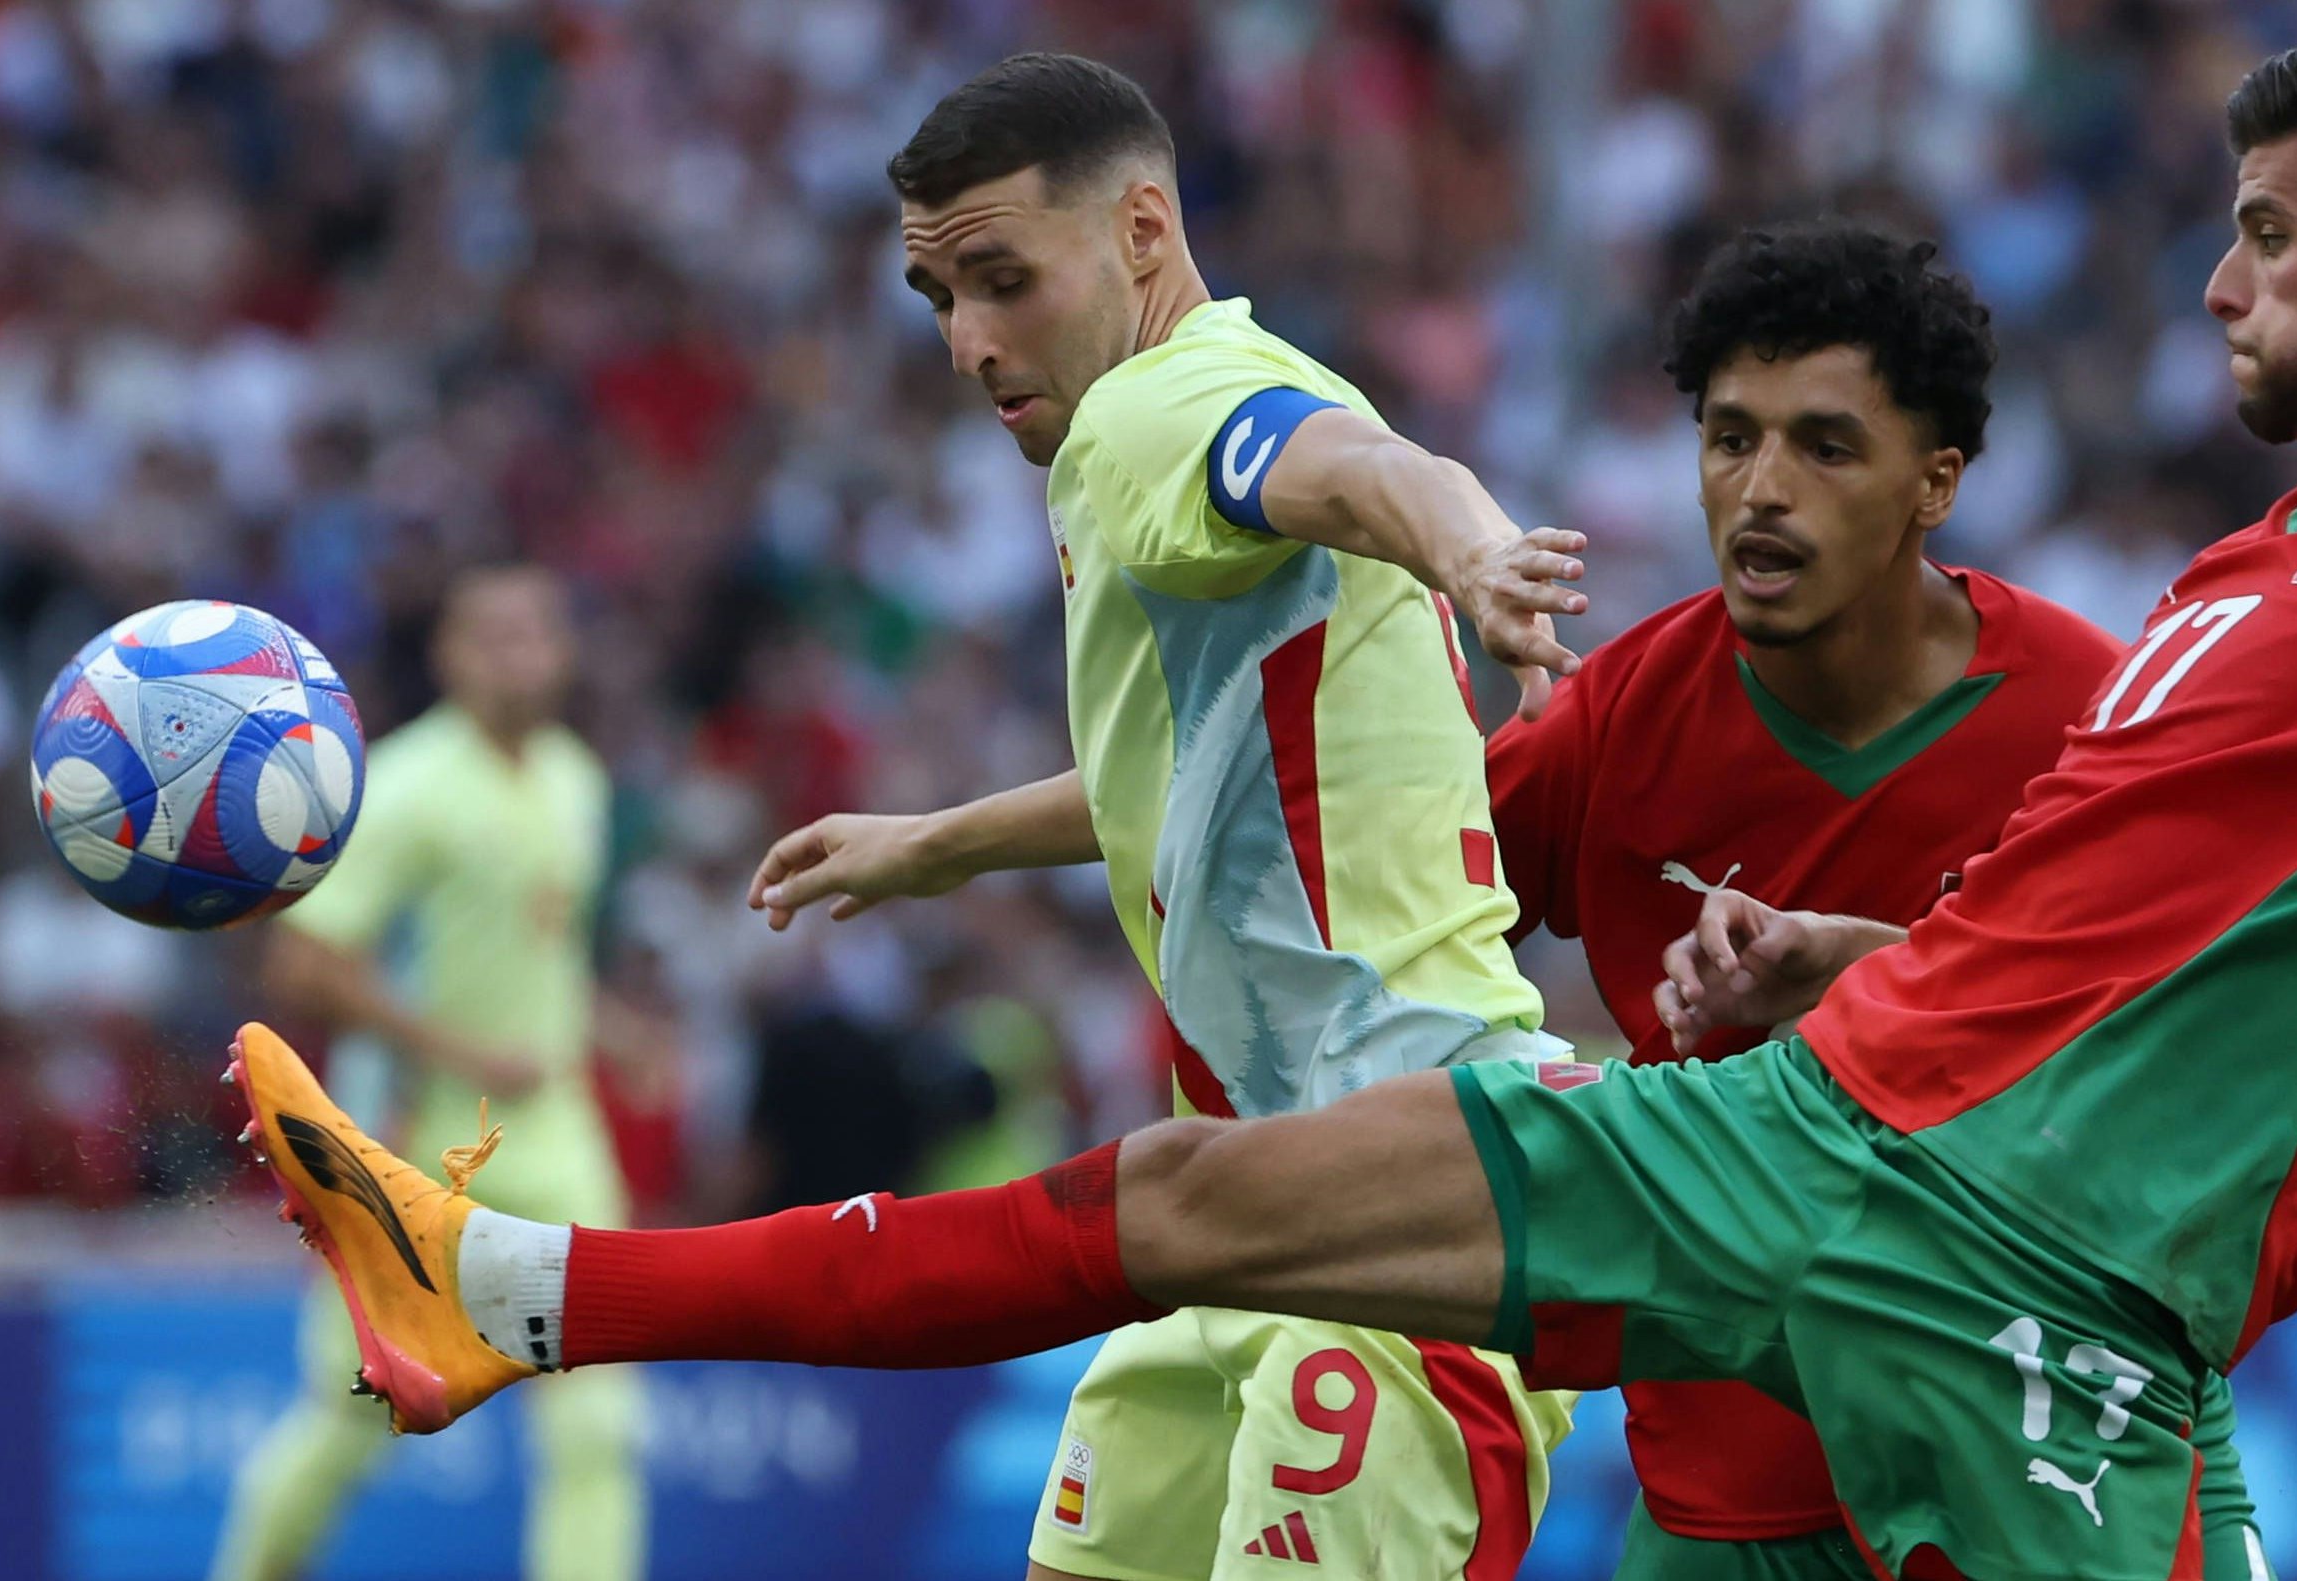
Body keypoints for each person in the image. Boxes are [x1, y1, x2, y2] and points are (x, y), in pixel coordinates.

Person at [227, 28, 2297, 1579]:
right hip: (1808, 1135)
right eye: (1722, 434)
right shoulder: (2224, 572)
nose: (2211, 280)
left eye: (2264, 235)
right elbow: (2096, 926)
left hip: (2030, 1299)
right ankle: (519, 1286)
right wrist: (1835, 969)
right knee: (1192, 1192)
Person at [576, 51, 1587, 1581]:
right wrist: (937, 840)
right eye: (938, 301)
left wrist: (1472, 550)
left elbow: (1373, 472)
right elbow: (1194, 766)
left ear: (1136, 233)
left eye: (999, 279)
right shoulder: (1177, 414)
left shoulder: (1159, 411)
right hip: (1247, 1198)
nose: (971, 343)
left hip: (1406, 1209)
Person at [1485, 220, 2267, 1578]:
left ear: (1933, 481)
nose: (1761, 489)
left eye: (1823, 445)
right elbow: (1359, 889)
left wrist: (1868, 975)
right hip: (1726, 1517)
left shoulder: (2092, 723)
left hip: (2051, 1479)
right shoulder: (1609, 725)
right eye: (1729, 439)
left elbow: (2198, 1065)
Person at [210, 566, 647, 1581]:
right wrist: (464, 1053)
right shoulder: (406, 789)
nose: (517, 654)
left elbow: (543, 959)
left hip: (556, 1140)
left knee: (599, 1426)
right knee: (353, 1417)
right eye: (490, 635)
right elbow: (304, 964)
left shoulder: (578, 779)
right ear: (448, 656)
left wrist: (609, 1029)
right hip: (415, 1147)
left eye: (535, 632)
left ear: (565, 651)